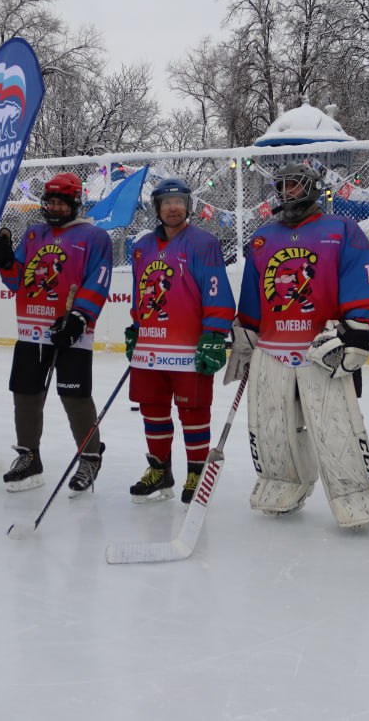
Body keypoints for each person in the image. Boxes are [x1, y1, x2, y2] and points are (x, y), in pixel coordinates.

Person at [224, 161, 369, 530]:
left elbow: (359, 278)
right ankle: (283, 484)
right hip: (273, 349)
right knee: (273, 427)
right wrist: (246, 330)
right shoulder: (263, 237)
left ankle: (356, 496)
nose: (288, 192)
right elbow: (253, 290)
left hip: (323, 348)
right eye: (282, 186)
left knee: (335, 426)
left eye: (295, 185)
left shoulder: (341, 229)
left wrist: (358, 329)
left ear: (312, 188)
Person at [0, 172, 114, 494]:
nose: (55, 207)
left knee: (74, 395)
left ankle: (90, 456)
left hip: (71, 330)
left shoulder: (94, 237)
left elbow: (98, 280)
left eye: (61, 202)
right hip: (31, 329)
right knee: (25, 392)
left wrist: (79, 318)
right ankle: (29, 456)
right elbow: (17, 281)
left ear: (75, 203)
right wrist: (5, 263)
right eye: (51, 201)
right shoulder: (34, 234)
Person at [124, 177, 235, 503]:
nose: (173, 208)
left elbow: (216, 291)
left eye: (179, 202)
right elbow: (140, 292)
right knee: (152, 409)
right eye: (166, 202)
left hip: (189, 347)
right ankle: (160, 470)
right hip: (150, 347)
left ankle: (196, 473)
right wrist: (136, 327)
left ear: (188, 206)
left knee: (194, 411)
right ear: (157, 208)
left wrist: (215, 334)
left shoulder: (203, 243)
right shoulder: (142, 247)